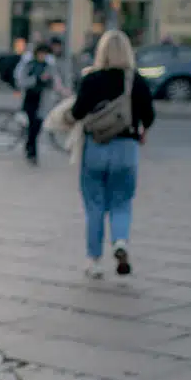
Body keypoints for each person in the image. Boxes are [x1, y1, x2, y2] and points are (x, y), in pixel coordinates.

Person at [68, 29, 154, 279]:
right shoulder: (135, 80)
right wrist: (143, 130)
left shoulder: (91, 79)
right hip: (126, 148)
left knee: (94, 205)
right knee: (122, 202)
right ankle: (120, 242)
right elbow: (148, 115)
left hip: (96, 146)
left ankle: (94, 261)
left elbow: (77, 112)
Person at [14, 42, 56, 163]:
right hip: (30, 99)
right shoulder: (30, 65)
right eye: (41, 54)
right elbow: (22, 81)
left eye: (45, 54)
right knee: (32, 126)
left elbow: (54, 81)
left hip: (42, 100)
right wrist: (36, 79)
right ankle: (32, 153)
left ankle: (29, 147)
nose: (43, 56)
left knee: (37, 127)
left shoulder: (48, 66)